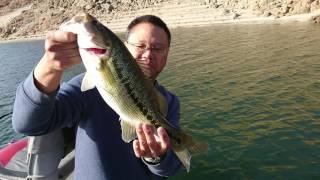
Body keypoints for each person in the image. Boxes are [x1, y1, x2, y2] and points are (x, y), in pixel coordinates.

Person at [12, 15, 182, 179]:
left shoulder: (169, 101)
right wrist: (48, 67)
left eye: (158, 48)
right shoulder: (86, 87)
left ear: (167, 53)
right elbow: (28, 124)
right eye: (139, 45)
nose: (148, 55)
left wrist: (158, 157)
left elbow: (171, 168)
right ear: (125, 47)